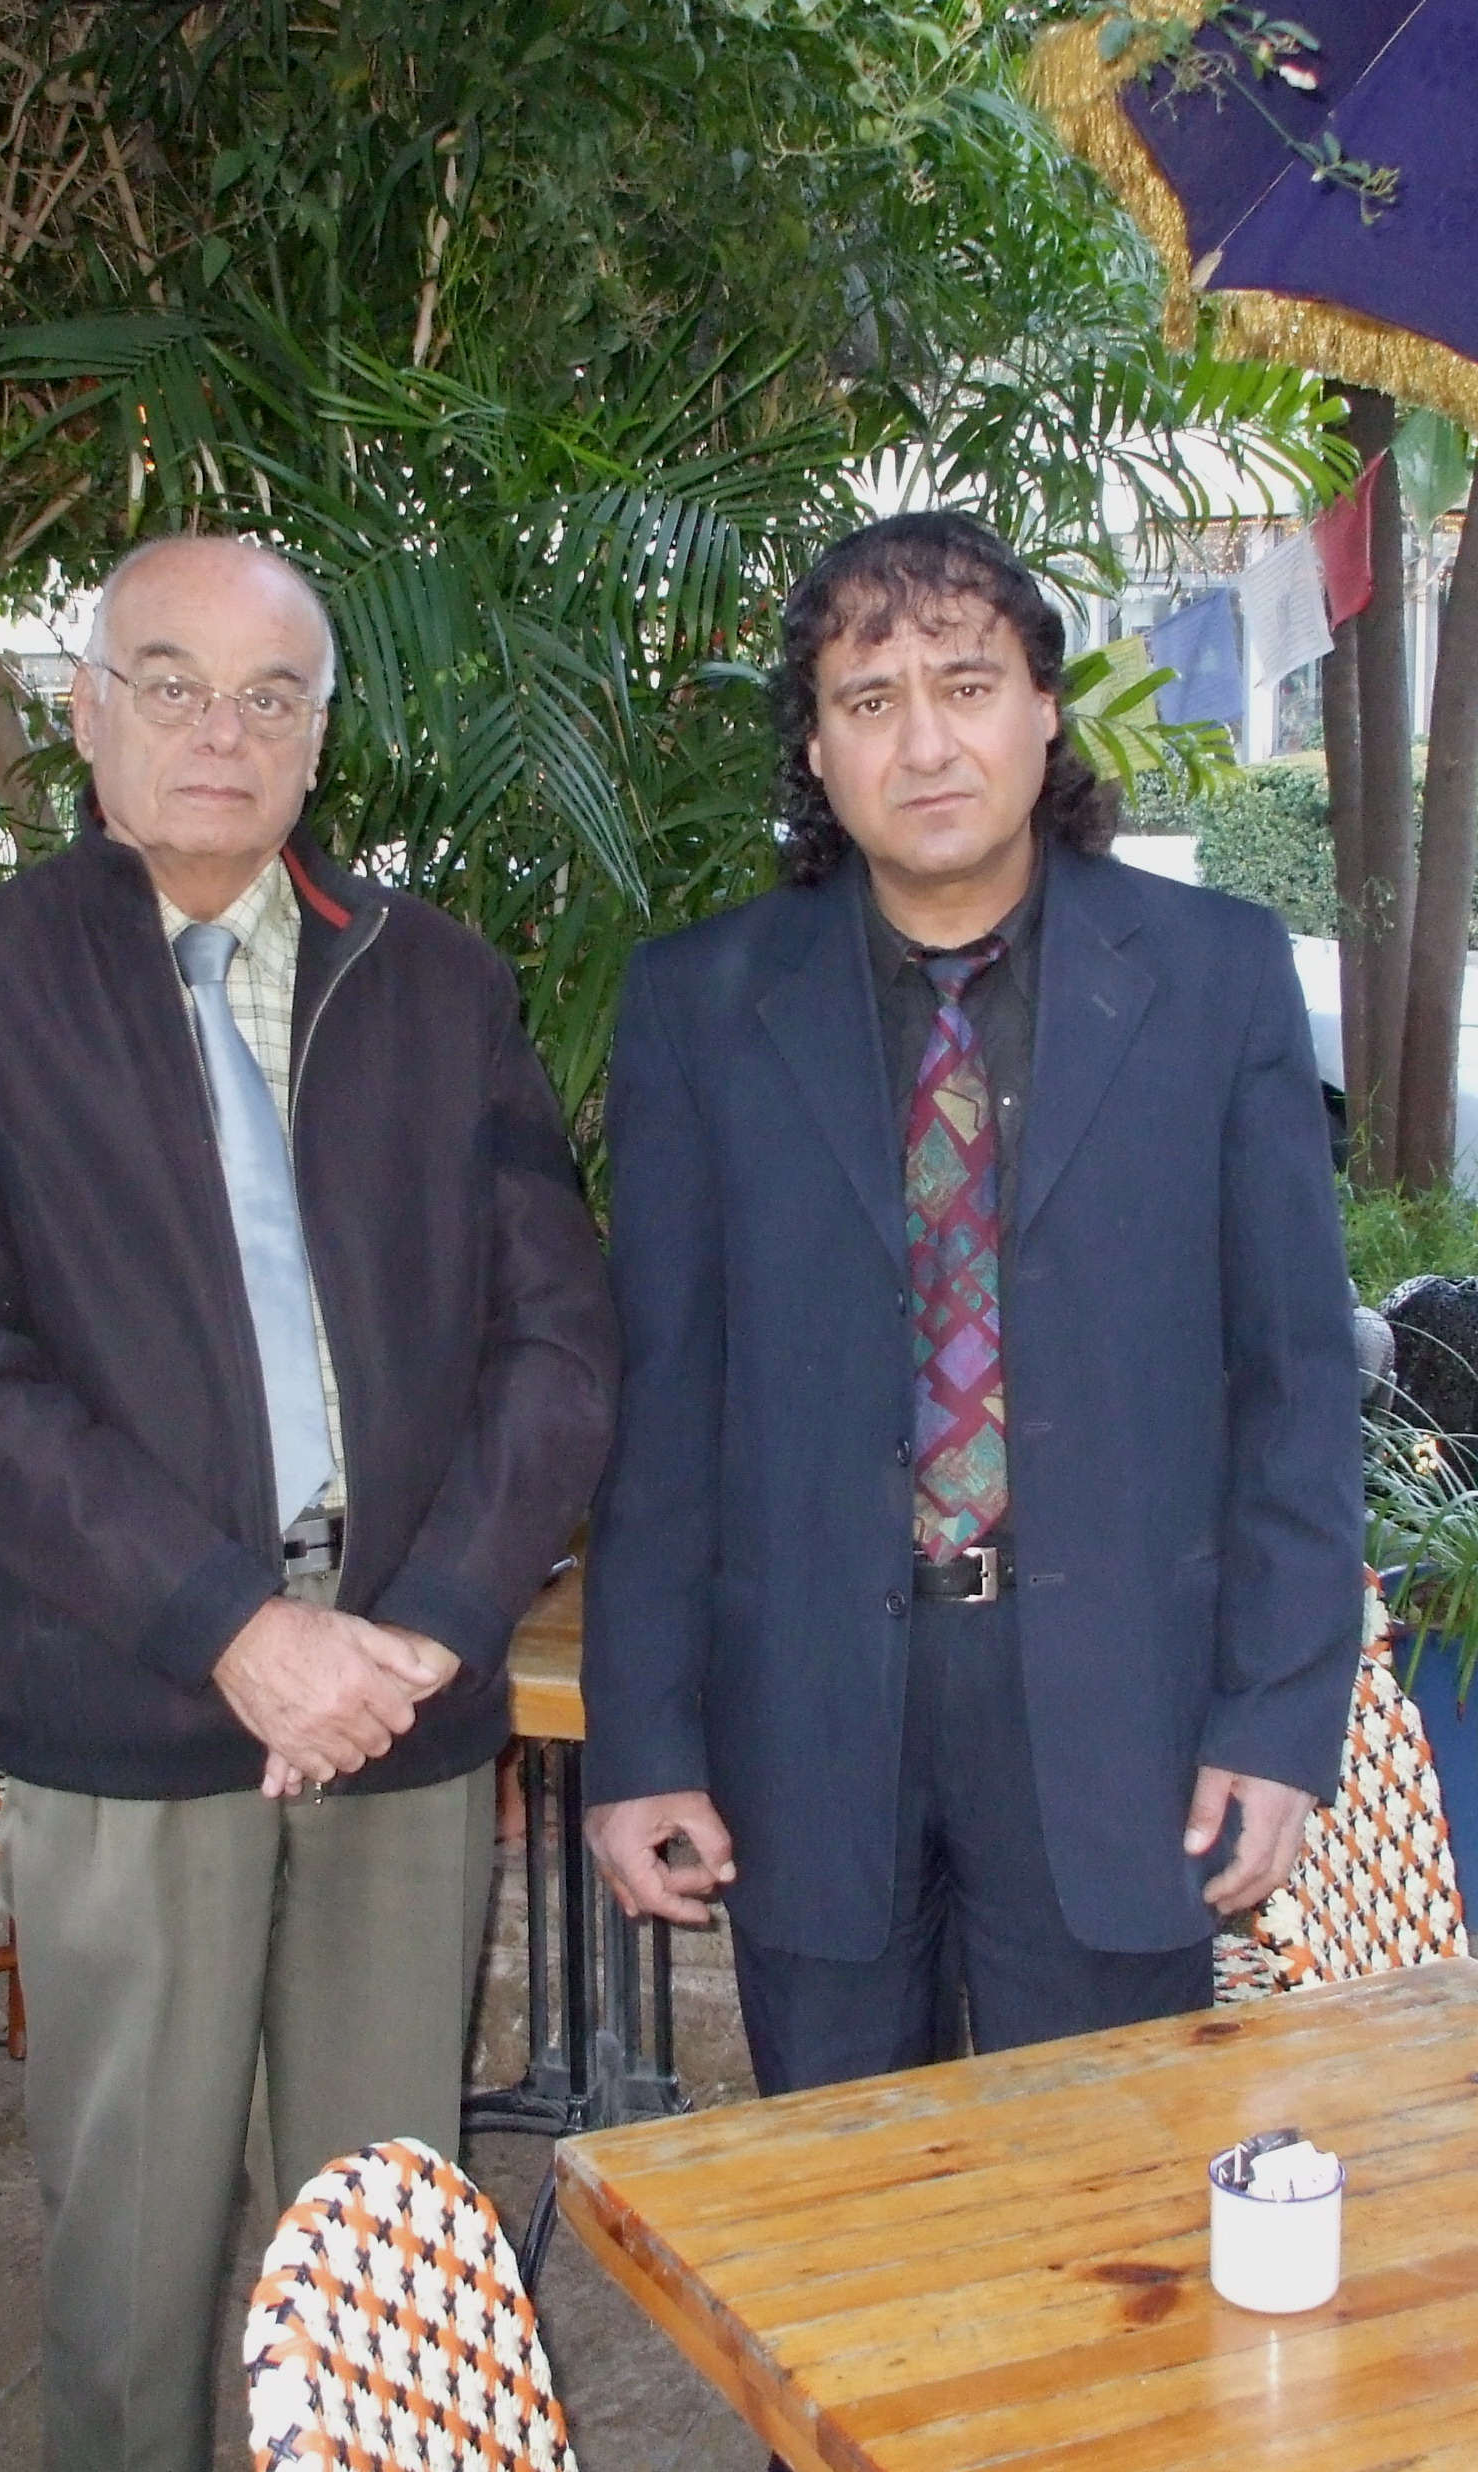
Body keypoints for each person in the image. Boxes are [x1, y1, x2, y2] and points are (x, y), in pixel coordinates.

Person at [0, 533, 618, 2472]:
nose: (222, 731)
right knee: (129, 2261)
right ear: (85, 711)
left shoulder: (434, 982)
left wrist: (433, 1622)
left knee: (379, 2246)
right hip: (133, 1694)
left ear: (318, 736)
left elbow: (558, 1341)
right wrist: (233, 1627)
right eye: (174, 685)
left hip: (403, 1698)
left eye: (269, 695)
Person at [581, 510, 1362, 2098]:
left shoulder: (1215, 979)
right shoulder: (699, 1006)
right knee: (845, 2196)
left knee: (1106, 2197)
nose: (926, 743)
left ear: (1046, 708)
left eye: (967, 684)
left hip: (1126, 1719)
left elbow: (1295, 1382)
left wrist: (1277, 1719)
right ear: (817, 749)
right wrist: (643, 1743)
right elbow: (663, 1408)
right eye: (870, 702)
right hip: (809, 1723)